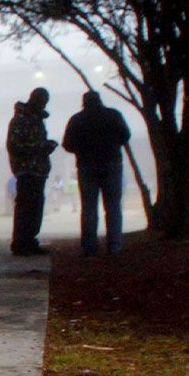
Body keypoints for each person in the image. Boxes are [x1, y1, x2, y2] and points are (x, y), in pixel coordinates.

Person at [61, 90, 131, 255]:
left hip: (86, 165)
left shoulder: (77, 120)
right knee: (113, 206)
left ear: (83, 102)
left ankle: (89, 247)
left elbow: (67, 144)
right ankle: (114, 245)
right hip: (111, 163)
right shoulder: (113, 115)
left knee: (89, 208)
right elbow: (125, 135)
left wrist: (81, 149)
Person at [6, 87, 55, 256]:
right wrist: (42, 147)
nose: (43, 105)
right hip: (27, 171)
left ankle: (30, 240)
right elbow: (14, 147)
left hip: (38, 170)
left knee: (35, 208)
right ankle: (21, 242)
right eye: (42, 101)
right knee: (26, 208)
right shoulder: (20, 120)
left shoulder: (36, 119)